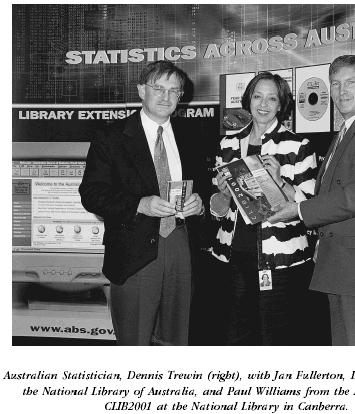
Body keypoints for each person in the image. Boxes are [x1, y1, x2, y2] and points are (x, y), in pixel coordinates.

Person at [268, 55, 355, 346]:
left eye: (350, 82)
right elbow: (332, 194)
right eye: (335, 84)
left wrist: (298, 210)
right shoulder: (349, 130)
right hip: (344, 266)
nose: (341, 91)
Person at [79, 61, 204, 346]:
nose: (165, 96)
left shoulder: (191, 135)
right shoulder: (111, 137)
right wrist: (139, 204)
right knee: (135, 342)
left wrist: (201, 203)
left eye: (174, 90)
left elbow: (204, 190)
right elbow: (92, 193)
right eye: (158, 88)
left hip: (182, 246)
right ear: (140, 90)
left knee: (178, 340)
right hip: (133, 253)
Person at [209, 71, 322, 346]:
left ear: (281, 105)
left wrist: (281, 181)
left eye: (272, 98)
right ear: (248, 100)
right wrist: (223, 195)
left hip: (280, 261)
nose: (263, 104)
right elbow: (218, 210)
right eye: (258, 96)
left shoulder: (298, 146)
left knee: (276, 340)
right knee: (235, 338)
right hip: (234, 259)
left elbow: (310, 206)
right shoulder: (228, 144)